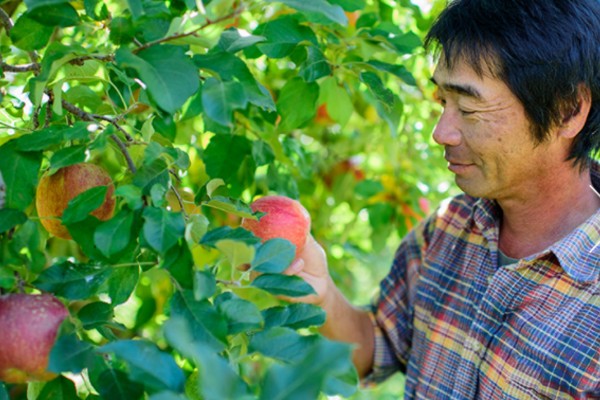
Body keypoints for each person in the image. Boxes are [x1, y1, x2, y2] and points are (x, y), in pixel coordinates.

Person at [289, 0, 600, 398]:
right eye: (442, 103)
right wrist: (319, 290)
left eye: (468, 108)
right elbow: (375, 346)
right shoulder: (447, 229)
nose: (442, 132)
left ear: (567, 110)